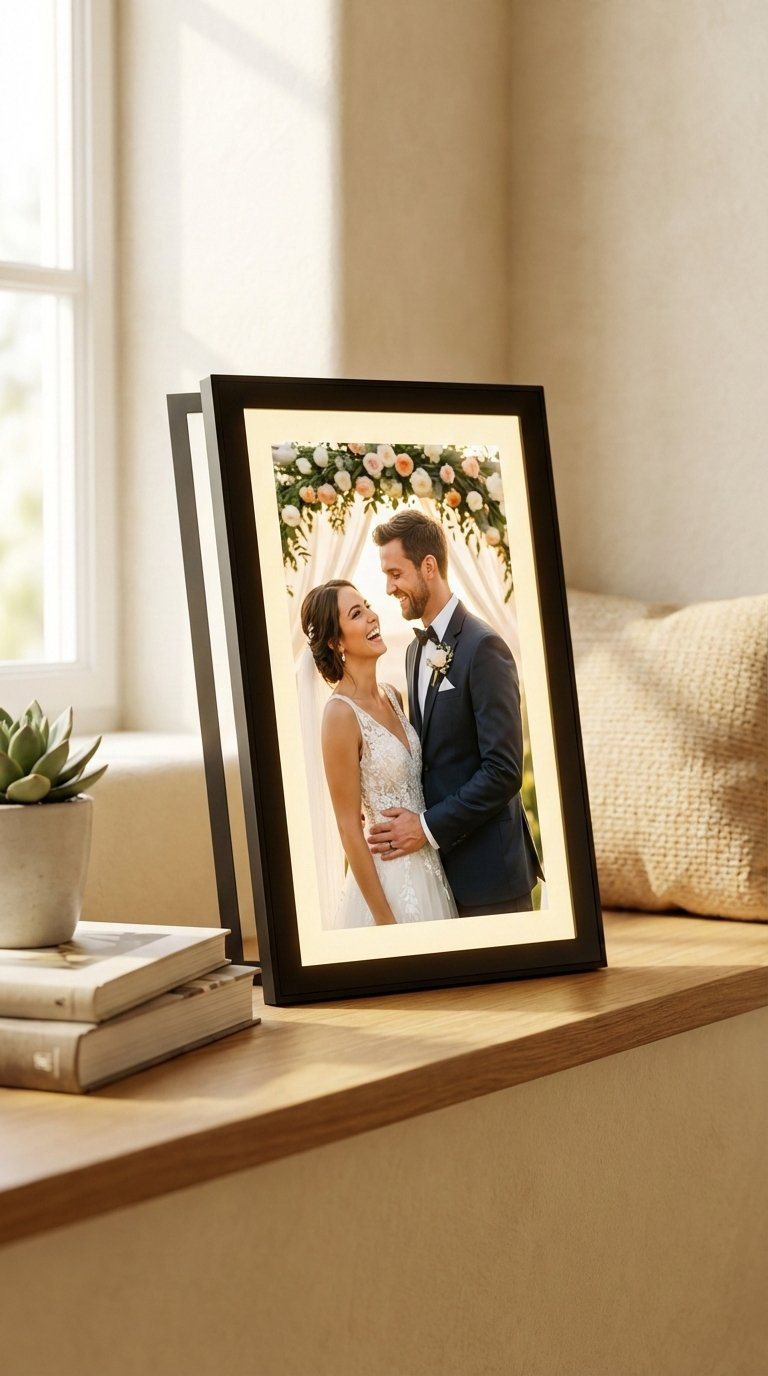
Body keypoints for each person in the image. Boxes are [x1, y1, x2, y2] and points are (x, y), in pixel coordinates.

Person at [369, 510, 543, 914]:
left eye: (396, 573)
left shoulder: (485, 647)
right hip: (437, 877)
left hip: (490, 875)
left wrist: (426, 828)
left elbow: (503, 770)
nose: (390, 587)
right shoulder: (413, 652)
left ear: (428, 566)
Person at [301, 579, 458, 928]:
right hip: (388, 883)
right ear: (335, 641)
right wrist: (385, 920)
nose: (372, 617)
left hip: (430, 867)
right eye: (357, 614)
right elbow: (347, 827)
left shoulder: (392, 695)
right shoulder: (340, 715)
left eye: (368, 606)